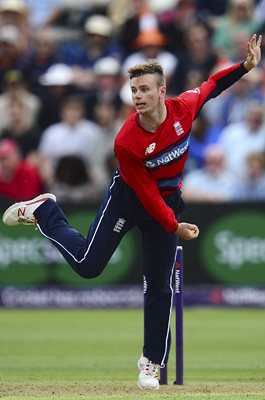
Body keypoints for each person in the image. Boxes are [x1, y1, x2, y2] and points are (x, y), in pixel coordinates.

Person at [2, 34, 262, 390]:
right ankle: (46, 211)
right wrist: (176, 226)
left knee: (159, 285)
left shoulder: (184, 108)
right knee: (88, 266)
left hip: (166, 201)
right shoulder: (126, 140)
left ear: (161, 90)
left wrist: (246, 66)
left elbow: (212, 85)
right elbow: (145, 192)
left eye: (143, 89)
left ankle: (151, 362)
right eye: (134, 90)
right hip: (129, 198)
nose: (137, 96)